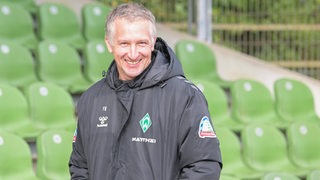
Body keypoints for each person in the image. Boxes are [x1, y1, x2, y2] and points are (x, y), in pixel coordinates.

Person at [69, 3, 222, 179]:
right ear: (109, 44)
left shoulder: (184, 97)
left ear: (153, 42)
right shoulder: (92, 99)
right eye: (124, 43)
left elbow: (204, 167)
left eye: (141, 43)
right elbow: (80, 167)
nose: (133, 54)